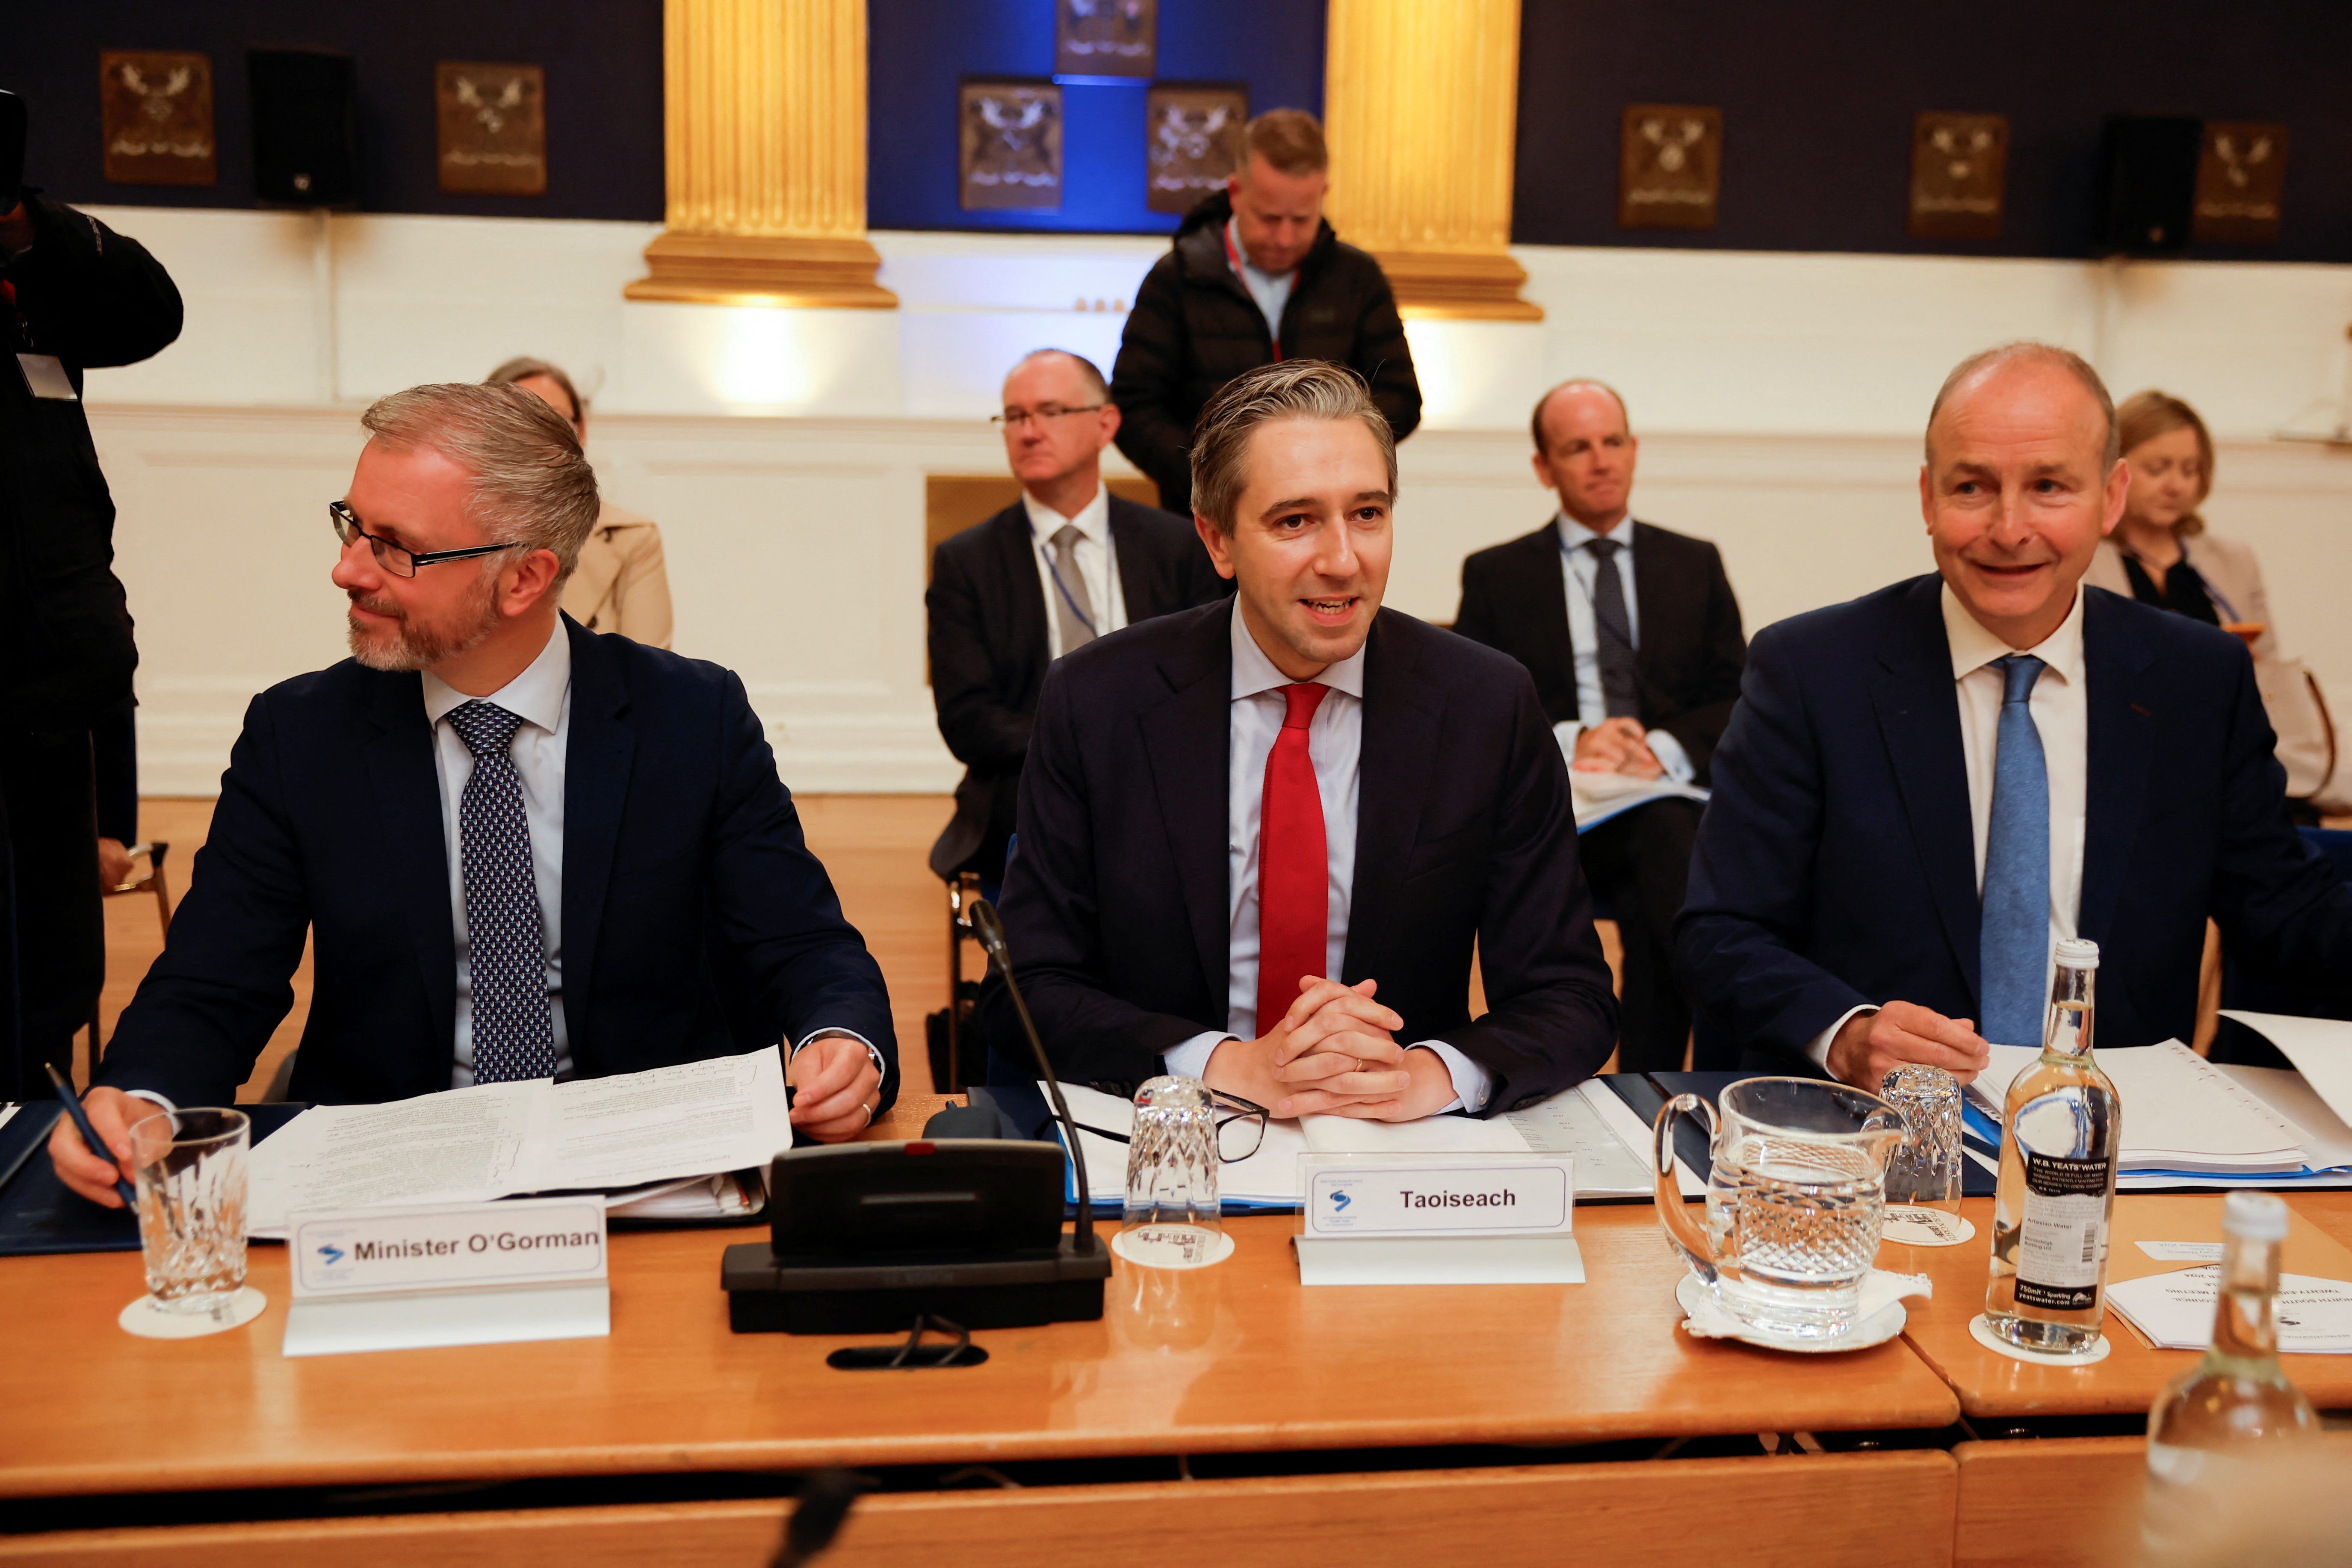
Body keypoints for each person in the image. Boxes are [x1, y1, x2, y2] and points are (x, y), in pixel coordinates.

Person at [51, 383, 894, 1205]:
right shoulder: (300, 734)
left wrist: (841, 1045)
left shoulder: (692, 718)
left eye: (395, 546)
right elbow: (212, 981)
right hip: (386, 1175)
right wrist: (142, 1096)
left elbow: (804, 945)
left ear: (523, 579)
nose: (346, 570)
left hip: (645, 1174)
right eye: (351, 526)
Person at [1677, 343, 2352, 1089]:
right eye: (1972, 487)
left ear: (2112, 496)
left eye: (2049, 487)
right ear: (1929, 499)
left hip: (2121, 1137)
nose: (2008, 527)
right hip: (1871, 1133)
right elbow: (1722, 930)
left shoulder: (2197, 679)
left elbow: (2282, 909)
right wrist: (1847, 1034)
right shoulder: (1811, 671)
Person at [985, 360, 1616, 1119]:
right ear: (1218, 541)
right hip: (1177, 1137)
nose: (1343, 560)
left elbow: (1571, 995)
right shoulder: (1098, 700)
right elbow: (1027, 987)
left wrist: (1430, 1075)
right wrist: (1227, 1064)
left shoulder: (1486, 703)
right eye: (1296, 521)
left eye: (1368, 514)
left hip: (1395, 1148)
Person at [1453, 381, 1746, 1073]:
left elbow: (1739, 695)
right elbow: (1472, 709)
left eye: (1613, 442)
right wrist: (1573, 738)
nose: (1600, 460)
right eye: (1577, 447)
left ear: (1634, 451)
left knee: (1669, 844)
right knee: (1667, 857)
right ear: (1544, 467)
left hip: (1661, 800)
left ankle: (1649, 1079)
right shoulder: (1498, 573)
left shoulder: (1693, 562)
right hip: (1556, 805)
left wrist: (1662, 747)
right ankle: (1573, 1072)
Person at [0, 124, 184, 1101]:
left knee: (53, 985)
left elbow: (152, 312)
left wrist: (23, 221)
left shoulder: (35, 283)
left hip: (51, 706)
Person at [926, 348, 1227, 883]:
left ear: (1105, 424)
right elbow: (967, 719)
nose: (1029, 431)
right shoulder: (966, 560)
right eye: (1015, 417)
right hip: (1028, 791)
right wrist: (1083, 745)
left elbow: (1212, 679)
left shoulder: (1178, 546)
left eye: (1050, 412)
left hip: (1166, 784)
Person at [1110, 109, 1420, 517]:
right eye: (1269, 218)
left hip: (1326, 515)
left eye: (1302, 219)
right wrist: (1216, 480)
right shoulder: (1177, 279)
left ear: (1323, 194)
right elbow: (1135, 406)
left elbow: (1400, 397)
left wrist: (1326, 466)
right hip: (1204, 526)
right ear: (1236, 193)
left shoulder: (1357, 278)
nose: (1285, 237)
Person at [2083, 390, 2327, 815]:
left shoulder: (2233, 559)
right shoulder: (2082, 556)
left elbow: (2266, 667)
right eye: (2157, 468)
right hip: (2122, 744)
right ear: (2114, 472)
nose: (2175, 484)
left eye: (2190, 469)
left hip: (2223, 745)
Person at [487, 356, 673, 649]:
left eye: (555, 418)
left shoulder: (632, 538)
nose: (539, 435)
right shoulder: (450, 536)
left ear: (581, 429)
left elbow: (650, 675)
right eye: (518, 420)